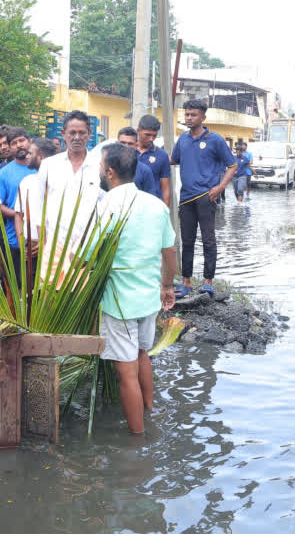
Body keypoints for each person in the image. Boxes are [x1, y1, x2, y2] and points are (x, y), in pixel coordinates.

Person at [93, 143, 177, 434]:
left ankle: (137, 439)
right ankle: (150, 411)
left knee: (125, 372)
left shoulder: (106, 206)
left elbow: (86, 256)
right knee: (143, 355)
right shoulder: (156, 205)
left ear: (110, 172)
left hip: (120, 301)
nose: (101, 170)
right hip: (149, 297)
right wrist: (167, 286)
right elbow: (169, 252)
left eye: (102, 165)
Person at [170, 99, 237, 299]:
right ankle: (186, 281)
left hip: (206, 196)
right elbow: (173, 160)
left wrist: (221, 186)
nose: (189, 118)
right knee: (187, 240)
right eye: (187, 114)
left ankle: (208, 281)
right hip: (186, 198)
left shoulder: (215, 140)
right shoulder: (182, 139)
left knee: (208, 240)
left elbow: (232, 166)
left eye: (193, 115)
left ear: (203, 117)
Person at [35, 111, 103, 260]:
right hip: (54, 249)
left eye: (82, 133)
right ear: (63, 134)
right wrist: (44, 245)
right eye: (72, 133)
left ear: (89, 134)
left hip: (89, 250)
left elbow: (106, 207)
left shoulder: (100, 165)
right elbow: (38, 207)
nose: (77, 137)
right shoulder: (49, 165)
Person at [0, 127, 35, 287]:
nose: (19, 145)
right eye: (14, 143)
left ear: (29, 141)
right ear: (10, 148)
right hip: (13, 242)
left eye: (22, 141)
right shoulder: (3, 174)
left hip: (41, 241)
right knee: (12, 288)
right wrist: (19, 214)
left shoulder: (41, 167)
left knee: (37, 291)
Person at [14, 137, 56, 274]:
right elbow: (19, 215)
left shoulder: (60, 183)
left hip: (54, 249)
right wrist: (22, 243)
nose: (26, 156)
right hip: (29, 248)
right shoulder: (27, 182)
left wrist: (45, 243)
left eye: (30, 153)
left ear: (41, 157)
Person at [135, 115, 172, 206]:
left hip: (152, 205)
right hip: (130, 205)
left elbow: (165, 188)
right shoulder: (127, 151)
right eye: (147, 135)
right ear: (138, 131)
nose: (151, 139)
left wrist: (165, 211)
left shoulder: (162, 156)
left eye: (154, 135)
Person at [113, 127, 158, 197]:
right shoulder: (108, 168)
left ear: (136, 145)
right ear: (116, 143)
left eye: (130, 144)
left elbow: (151, 200)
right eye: (123, 143)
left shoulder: (145, 171)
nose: (126, 147)